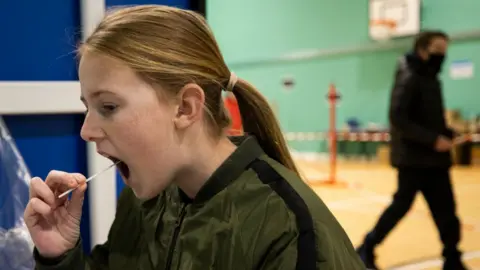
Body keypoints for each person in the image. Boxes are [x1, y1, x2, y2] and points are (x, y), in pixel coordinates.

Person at [24, 5, 365, 270]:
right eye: (88, 107)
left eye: (109, 106)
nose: (87, 130)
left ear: (186, 107)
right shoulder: (145, 201)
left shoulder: (290, 234)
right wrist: (59, 256)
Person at [356, 30, 468, 270]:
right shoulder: (409, 76)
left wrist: (446, 132)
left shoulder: (431, 78)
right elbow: (398, 117)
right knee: (400, 207)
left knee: (447, 211)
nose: (442, 55)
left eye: (445, 50)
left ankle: (452, 258)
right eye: (438, 50)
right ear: (422, 49)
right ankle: (367, 247)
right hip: (413, 160)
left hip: (435, 160)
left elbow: (425, 118)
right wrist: (432, 139)